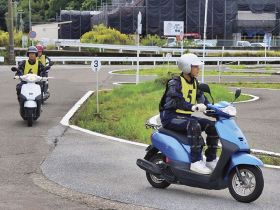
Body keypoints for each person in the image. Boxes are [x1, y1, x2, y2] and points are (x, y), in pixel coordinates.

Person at [159, 53, 219, 174]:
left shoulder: (195, 83)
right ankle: (196, 162)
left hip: (185, 117)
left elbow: (203, 102)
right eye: (195, 66)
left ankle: (211, 159)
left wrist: (216, 111)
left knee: (212, 126)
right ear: (187, 67)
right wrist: (193, 107)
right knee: (194, 125)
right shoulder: (174, 83)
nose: (198, 69)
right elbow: (176, 101)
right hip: (170, 117)